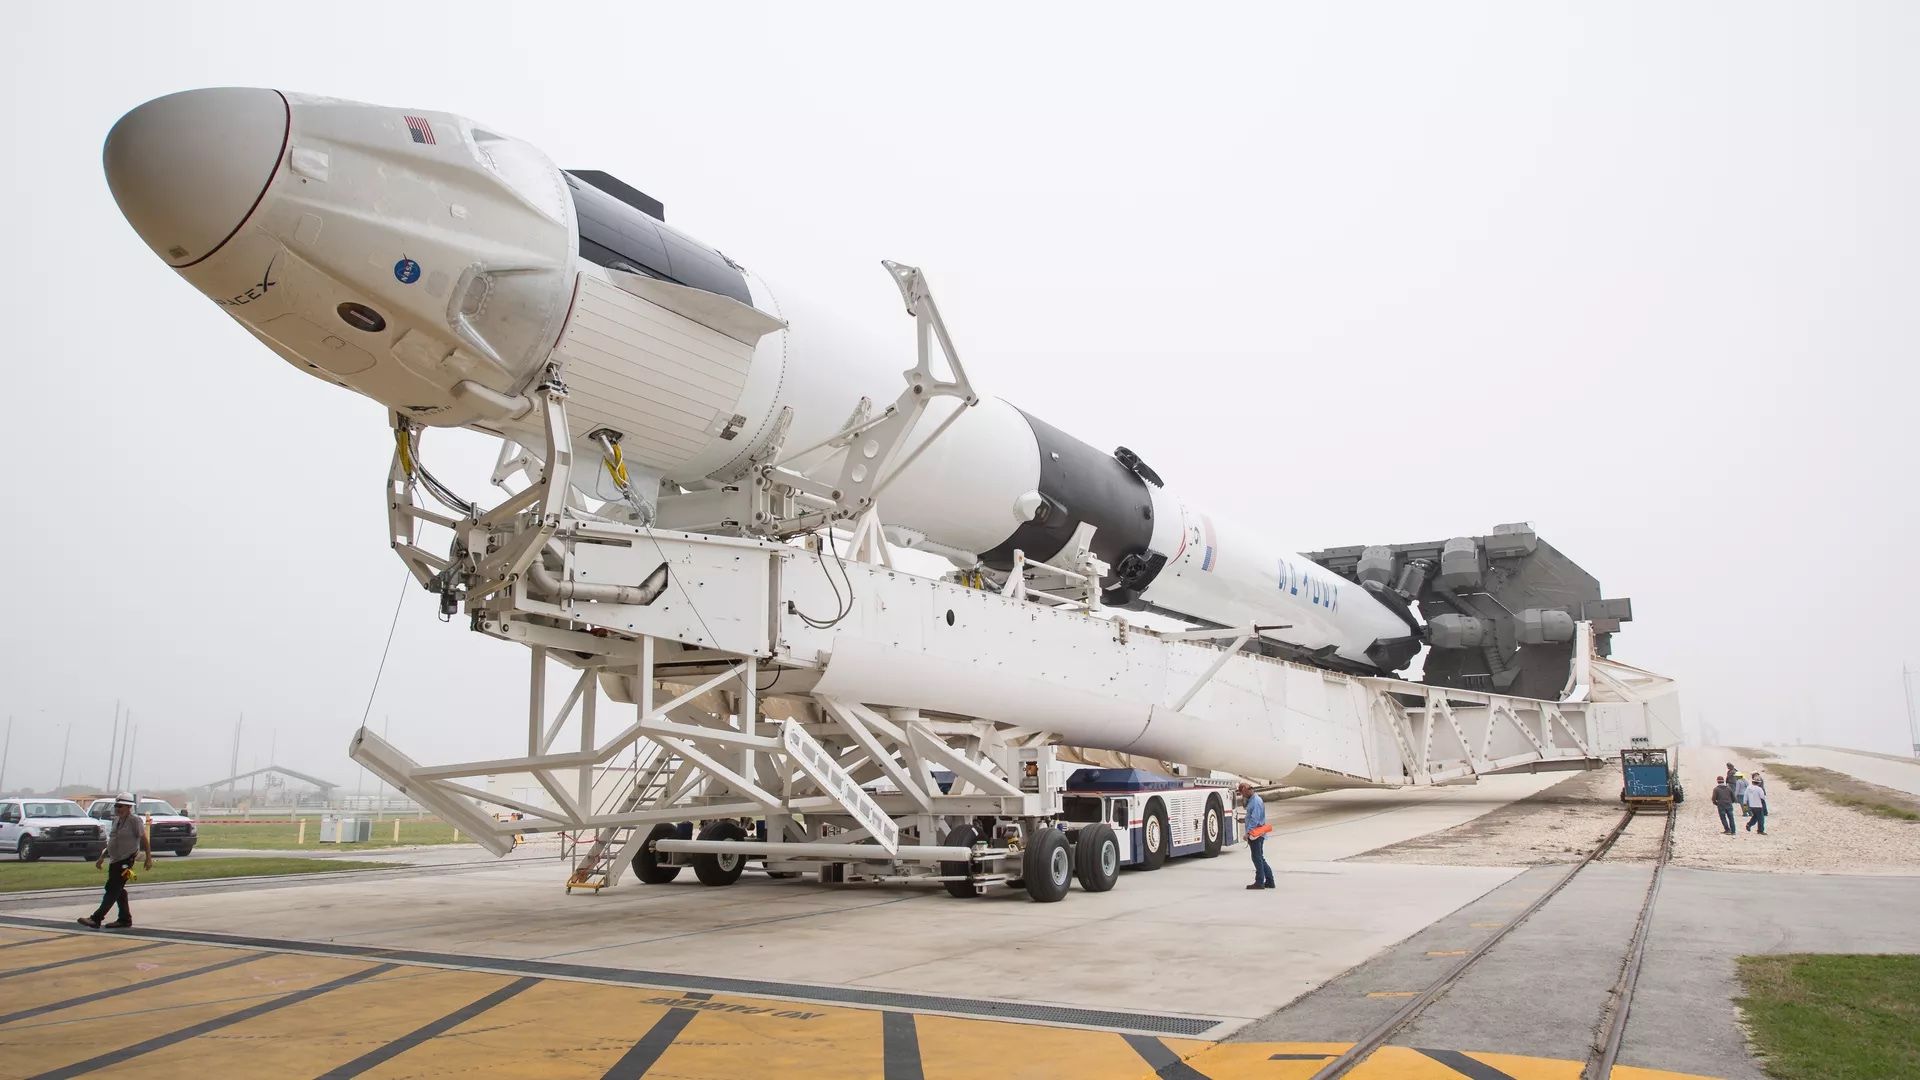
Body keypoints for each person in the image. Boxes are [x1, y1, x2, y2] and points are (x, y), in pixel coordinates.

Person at [78, 793, 151, 930]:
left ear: (129, 807)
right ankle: (125, 919)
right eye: (116, 805)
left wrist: (148, 858)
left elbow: (144, 839)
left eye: (121, 806)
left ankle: (96, 919)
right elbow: (113, 840)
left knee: (112, 889)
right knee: (116, 889)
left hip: (126, 861)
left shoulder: (135, 821)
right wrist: (102, 857)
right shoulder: (116, 820)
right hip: (115, 860)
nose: (118, 808)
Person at [1239, 781, 1274, 891]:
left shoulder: (1255, 802)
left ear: (1247, 790)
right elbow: (1252, 817)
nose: (1243, 796)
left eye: (1243, 793)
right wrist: (1244, 820)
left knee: (1257, 858)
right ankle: (1269, 881)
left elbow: (1255, 819)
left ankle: (1259, 882)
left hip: (1256, 834)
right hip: (1257, 833)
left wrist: (1248, 833)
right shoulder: (1253, 800)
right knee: (1260, 858)